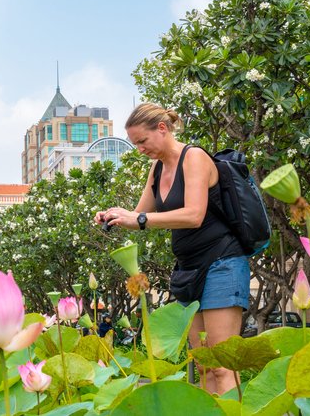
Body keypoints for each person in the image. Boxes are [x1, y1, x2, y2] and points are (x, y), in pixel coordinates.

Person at [94, 103, 250, 395]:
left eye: (143, 141)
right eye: (135, 143)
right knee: (203, 365)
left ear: (162, 129)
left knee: (222, 365)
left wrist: (139, 219)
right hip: (189, 270)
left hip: (222, 264)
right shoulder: (157, 169)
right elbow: (140, 214)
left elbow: (194, 215)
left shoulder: (194, 158)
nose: (140, 149)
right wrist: (114, 216)